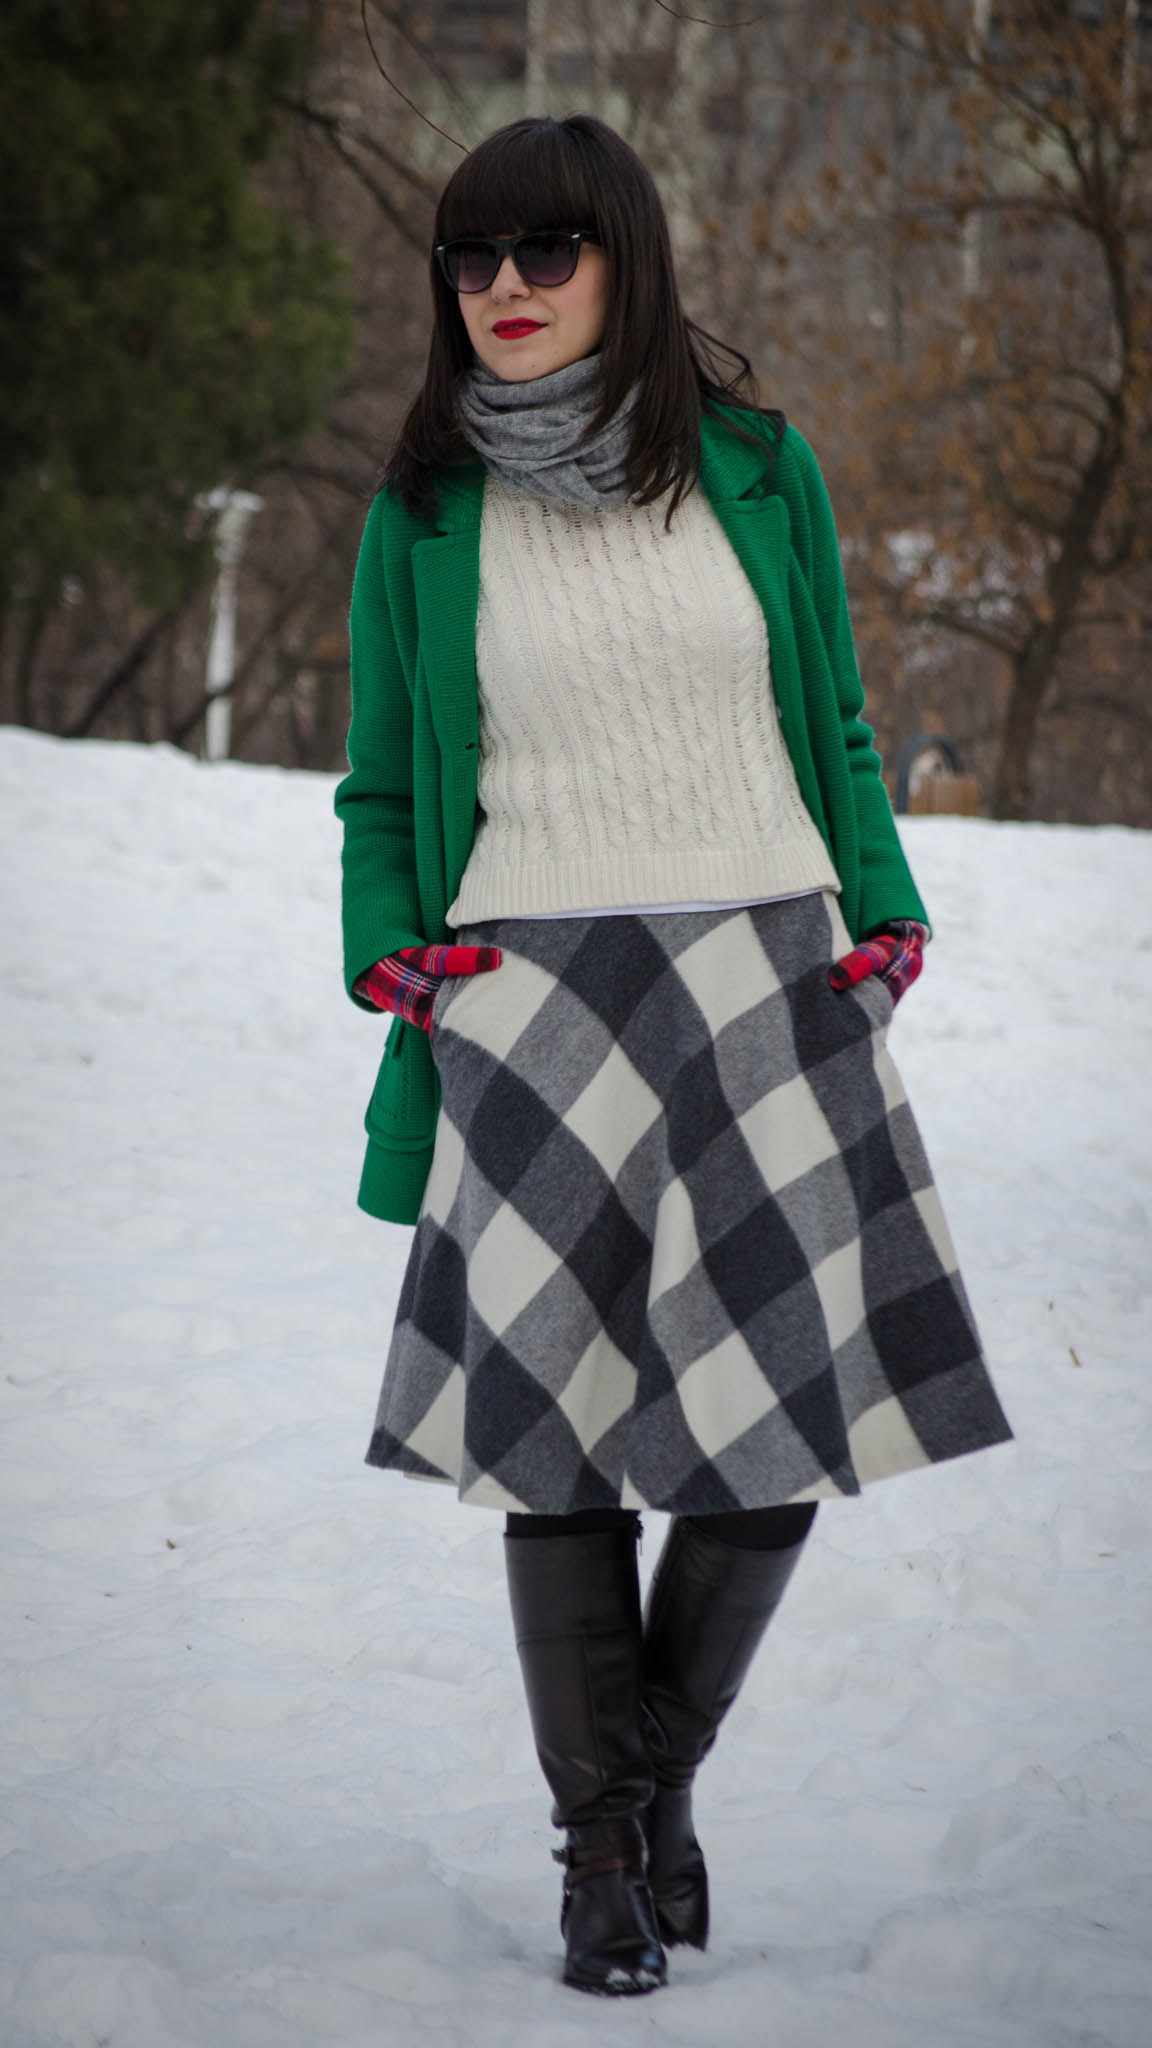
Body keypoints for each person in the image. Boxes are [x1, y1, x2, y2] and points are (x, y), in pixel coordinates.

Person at [335, 113, 1014, 1999]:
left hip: (766, 974)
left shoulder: (759, 470)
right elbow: (383, 782)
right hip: (532, 995)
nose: (508, 290)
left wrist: (883, 923)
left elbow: (841, 729)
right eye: (474, 260)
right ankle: (602, 1859)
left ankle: (648, 1782)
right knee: (557, 1445)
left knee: (768, 1427)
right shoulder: (425, 509)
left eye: (549, 253)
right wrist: (401, 962)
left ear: (627, 263)